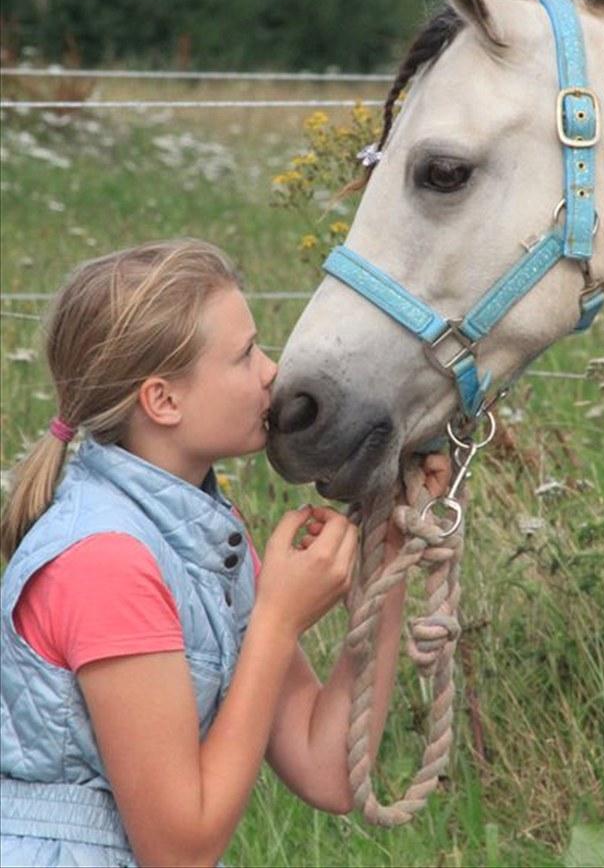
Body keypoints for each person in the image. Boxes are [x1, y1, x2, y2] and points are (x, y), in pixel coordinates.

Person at [0, 238, 449, 868]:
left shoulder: (198, 535)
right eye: (243, 356)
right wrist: (275, 620)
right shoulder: (106, 562)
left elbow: (328, 768)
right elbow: (179, 851)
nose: (271, 371)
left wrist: (388, 550)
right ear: (163, 401)